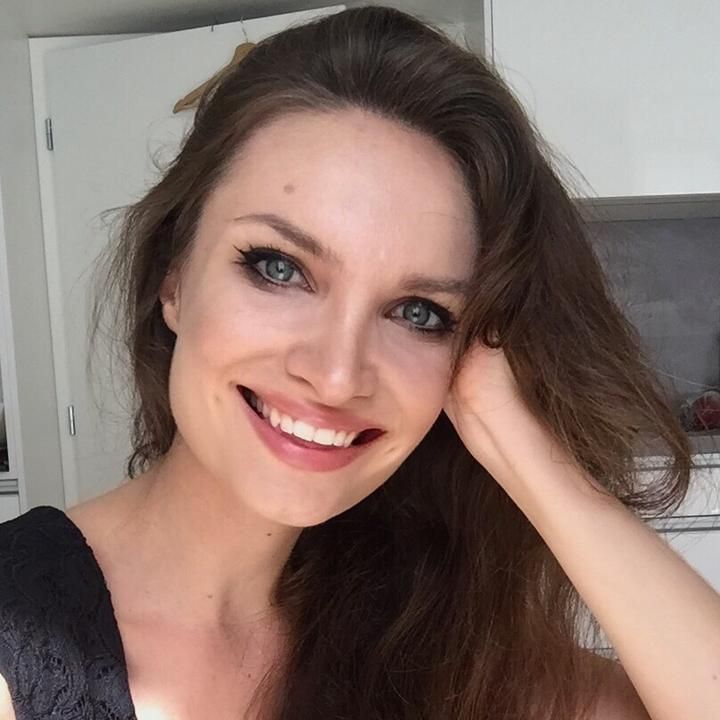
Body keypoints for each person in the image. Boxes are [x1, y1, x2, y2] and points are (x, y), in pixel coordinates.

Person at [1, 5, 718, 719]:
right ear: (174, 278)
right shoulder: (20, 636)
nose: (338, 374)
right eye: (278, 268)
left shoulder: (427, 641)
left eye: (419, 313)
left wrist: (524, 450)